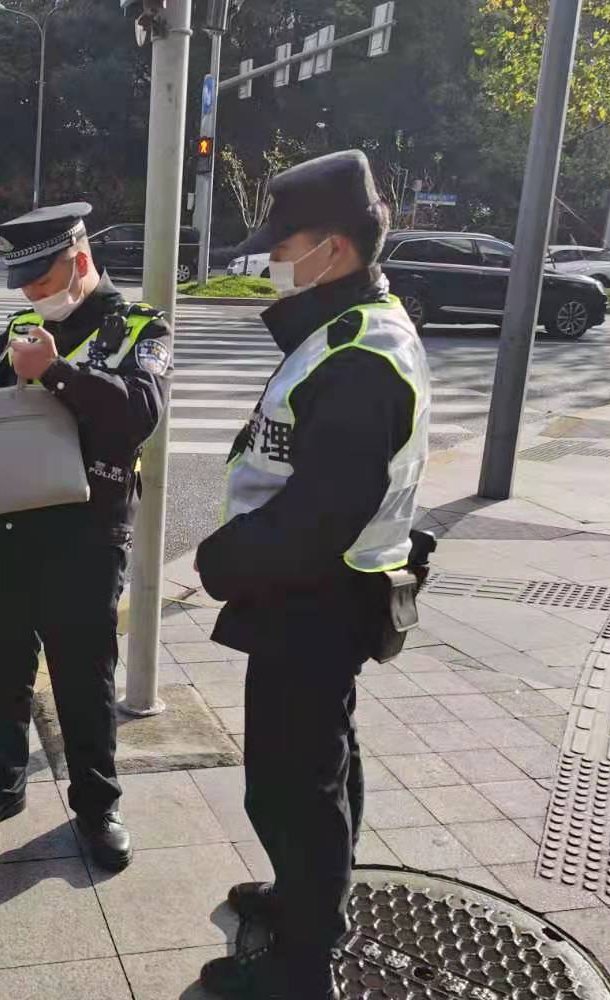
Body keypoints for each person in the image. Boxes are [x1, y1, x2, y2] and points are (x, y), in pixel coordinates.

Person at [194, 150, 431, 999]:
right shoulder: (351, 324)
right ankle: (309, 898)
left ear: (332, 248)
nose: (272, 261)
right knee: (322, 765)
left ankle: (301, 967)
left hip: (317, 599)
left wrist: (222, 561)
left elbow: (322, 514)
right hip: (320, 594)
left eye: (283, 245)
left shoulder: (361, 354)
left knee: (291, 785)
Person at [0, 202, 174, 872]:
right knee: (0, 667)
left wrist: (56, 372)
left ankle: (98, 808)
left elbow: (139, 413)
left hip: (86, 536)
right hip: (4, 528)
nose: (34, 297)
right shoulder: (23, 327)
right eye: (25, 286)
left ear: (79, 260)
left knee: (83, 679)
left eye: (43, 281)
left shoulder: (140, 327)